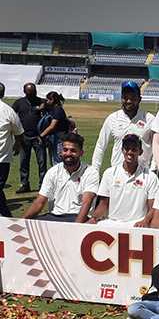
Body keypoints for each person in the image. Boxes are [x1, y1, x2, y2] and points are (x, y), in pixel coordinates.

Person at [23, 133, 99, 223]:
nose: (68, 153)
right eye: (65, 150)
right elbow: (40, 201)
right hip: (55, 216)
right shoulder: (53, 171)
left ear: (81, 153)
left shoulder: (90, 172)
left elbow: (87, 202)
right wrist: (21, 222)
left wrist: (75, 227)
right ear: (60, 151)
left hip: (78, 217)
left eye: (73, 150)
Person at [88, 134, 159, 228]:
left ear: (140, 152)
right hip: (112, 222)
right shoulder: (109, 173)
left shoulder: (150, 177)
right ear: (122, 150)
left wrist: (145, 221)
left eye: (134, 149)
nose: (130, 152)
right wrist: (94, 218)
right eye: (127, 149)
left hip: (137, 224)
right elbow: (103, 204)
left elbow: (153, 207)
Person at [91, 81, 155, 172]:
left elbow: (157, 147)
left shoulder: (150, 119)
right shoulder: (112, 119)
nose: (129, 101)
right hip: (117, 174)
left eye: (133, 98)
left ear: (139, 99)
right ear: (121, 98)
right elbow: (100, 146)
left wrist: (153, 169)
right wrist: (95, 171)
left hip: (143, 175)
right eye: (125, 97)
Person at [12, 82, 46, 193]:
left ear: (36, 91)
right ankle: (24, 184)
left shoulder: (42, 102)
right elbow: (12, 116)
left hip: (38, 137)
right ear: (24, 92)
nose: (31, 95)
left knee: (41, 162)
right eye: (29, 93)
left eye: (33, 92)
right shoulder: (19, 103)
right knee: (23, 162)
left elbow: (52, 115)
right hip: (24, 137)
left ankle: (43, 185)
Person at [0, 82, 24, 216]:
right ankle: (7, 216)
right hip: (2, 157)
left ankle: (6, 216)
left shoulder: (8, 110)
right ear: (3, 94)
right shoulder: (8, 111)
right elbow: (19, 132)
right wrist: (17, 145)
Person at [38, 91, 69, 166]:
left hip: (59, 138)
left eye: (48, 100)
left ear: (52, 100)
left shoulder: (57, 110)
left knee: (58, 160)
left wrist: (41, 135)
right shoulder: (53, 109)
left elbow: (52, 126)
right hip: (54, 138)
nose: (47, 101)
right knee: (53, 159)